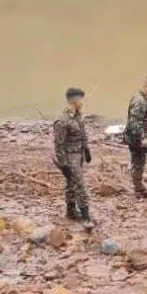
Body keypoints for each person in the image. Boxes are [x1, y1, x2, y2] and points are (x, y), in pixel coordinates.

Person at [53, 87, 94, 228]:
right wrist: (63, 164)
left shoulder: (77, 116)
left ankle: (70, 211)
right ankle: (86, 216)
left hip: (79, 155)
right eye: (81, 100)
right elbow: (59, 144)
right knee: (80, 185)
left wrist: (87, 150)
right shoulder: (62, 120)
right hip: (70, 158)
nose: (83, 102)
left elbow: (83, 135)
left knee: (71, 184)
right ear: (75, 101)